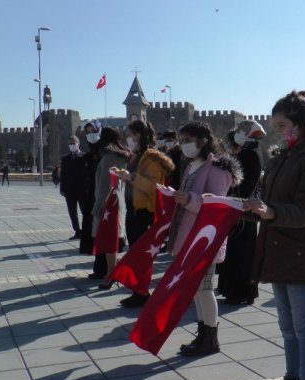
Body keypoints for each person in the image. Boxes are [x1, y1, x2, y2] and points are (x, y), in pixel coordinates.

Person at [245, 90, 305, 380]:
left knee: (304, 328)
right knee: (287, 327)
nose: (280, 132)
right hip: (278, 250)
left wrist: (269, 212)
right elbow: (268, 201)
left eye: (283, 125)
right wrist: (239, 206)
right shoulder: (283, 156)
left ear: (301, 122)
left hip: (299, 253)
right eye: (277, 127)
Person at [161, 121, 242, 356]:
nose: (183, 144)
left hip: (204, 239)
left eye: (187, 140)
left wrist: (187, 199)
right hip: (188, 236)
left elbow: (217, 205)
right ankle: (203, 333)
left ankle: (211, 338)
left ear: (202, 141)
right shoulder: (191, 165)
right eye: (181, 140)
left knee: (204, 289)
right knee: (196, 289)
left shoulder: (216, 168)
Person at [109, 120, 174, 304]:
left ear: (140, 135)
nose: (129, 138)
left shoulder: (152, 157)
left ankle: (142, 293)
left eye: (132, 134)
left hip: (144, 211)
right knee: (136, 253)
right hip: (134, 208)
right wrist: (123, 174)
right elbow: (136, 179)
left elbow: (154, 186)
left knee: (141, 255)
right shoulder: (136, 155)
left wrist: (131, 177)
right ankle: (138, 291)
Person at [217, 120, 264, 306]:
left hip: (243, 209)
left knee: (242, 253)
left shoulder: (251, 154)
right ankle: (233, 289)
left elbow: (244, 184)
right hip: (239, 207)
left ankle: (242, 291)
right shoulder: (249, 152)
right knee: (236, 251)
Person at [92, 127, 130, 276]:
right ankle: (108, 269)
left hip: (107, 204)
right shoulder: (121, 156)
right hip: (117, 201)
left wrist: (99, 206)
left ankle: (107, 271)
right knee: (111, 237)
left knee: (105, 238)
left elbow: (105, 185)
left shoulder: (109, 157)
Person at [79, 121, 108, 279]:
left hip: (101, 197)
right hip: (91, 196)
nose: (90, 133)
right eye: (88, 131)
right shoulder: (91, 153)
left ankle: (104, 268)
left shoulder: (105, 152)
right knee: (94, 232)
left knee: (101, 232)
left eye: (93, 130)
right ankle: (99, 266)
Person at [60, 136, 88, 240]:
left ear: (78, 143)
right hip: (69, 190)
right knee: (72, 212)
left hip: (82, 190)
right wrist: (62, 189)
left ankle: (86, 230)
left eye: (73, 143)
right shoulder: (65, 159)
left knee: (84, 211)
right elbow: (62, 175)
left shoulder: (85, 156)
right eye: (70, 144)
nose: (72, 145)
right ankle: (77, 231)